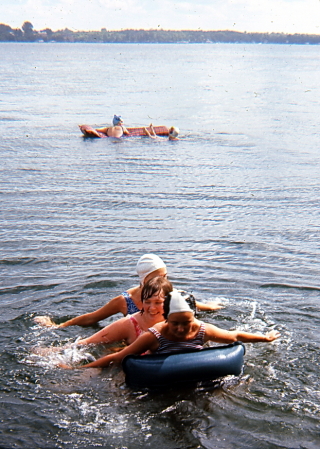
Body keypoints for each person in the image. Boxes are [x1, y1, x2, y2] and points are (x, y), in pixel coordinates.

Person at [74, 290, 280, 369]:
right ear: (166, 319)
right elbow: (120, 357)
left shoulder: (202, 329)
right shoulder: (154, 335)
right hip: (159, 378)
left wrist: (265, 338)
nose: (181, 329)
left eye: (187, 322)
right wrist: (79, 369)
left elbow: (234, 336)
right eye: (175, 323)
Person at [34, 254, 221, 328]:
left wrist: (213, 307)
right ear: (144, 279)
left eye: (166, 276)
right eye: (159, 276)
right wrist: (57, 326)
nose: (164, 281)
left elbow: (193, 305)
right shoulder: (125, 300)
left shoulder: (167, 293)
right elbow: (93, 317)